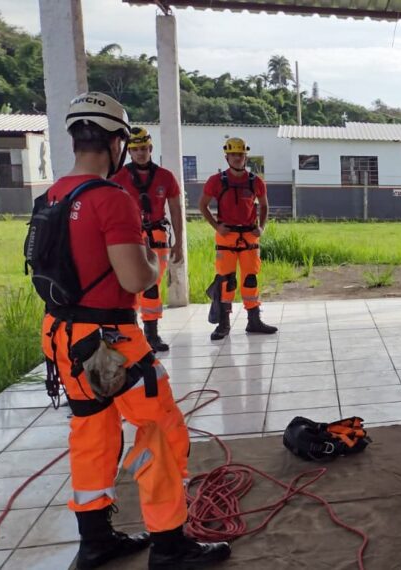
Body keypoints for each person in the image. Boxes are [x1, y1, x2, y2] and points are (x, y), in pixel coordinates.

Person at [43, 92, 229, 569]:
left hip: (62, 336)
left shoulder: (51, 196)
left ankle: (95, 539)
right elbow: (136, 279)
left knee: (92, 431)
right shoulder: (111, 199)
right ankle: (169, 545)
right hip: (112, 342)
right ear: (117, 142)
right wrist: (155, 260)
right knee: (160, 431)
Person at [110, 126, 183, 353]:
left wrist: (178, 242)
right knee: (127, 283)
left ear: (151, 149)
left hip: (157, 236)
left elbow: (176, 210)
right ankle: (128, 329)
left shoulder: (165, 177)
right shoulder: (119, 177)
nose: (141, 153)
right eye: (136, 149)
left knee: (152, 285)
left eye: (144, 148)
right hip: (128, 236)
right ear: (129, 152)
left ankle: (152, 334)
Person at [198, 137, 278, 340]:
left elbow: (265, 205)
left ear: (245, 157)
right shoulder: (216, 181)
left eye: (240, 154)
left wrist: (261, 227)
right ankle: (223, 324)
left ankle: (254, 320)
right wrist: (217, 227)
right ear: (227, 157)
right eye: (233, 154)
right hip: (227, 237)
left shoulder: (256, 181)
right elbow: (203, 205)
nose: (237, 158)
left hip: (250, 236)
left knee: (250, 279)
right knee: (226, 281)